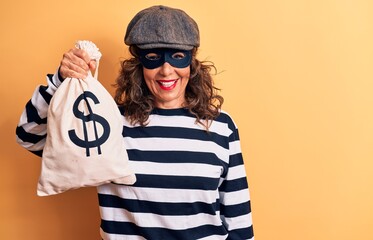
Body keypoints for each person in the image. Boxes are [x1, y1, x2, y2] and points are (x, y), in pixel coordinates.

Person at [16, 5, 254, 240]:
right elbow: (28, 135)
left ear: (192, 65)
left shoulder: (221, 126)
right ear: (138, 65)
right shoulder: (109, 123)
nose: (166, 70)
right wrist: (60, 80)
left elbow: (239, 222)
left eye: (178, 57)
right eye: (153, 58)